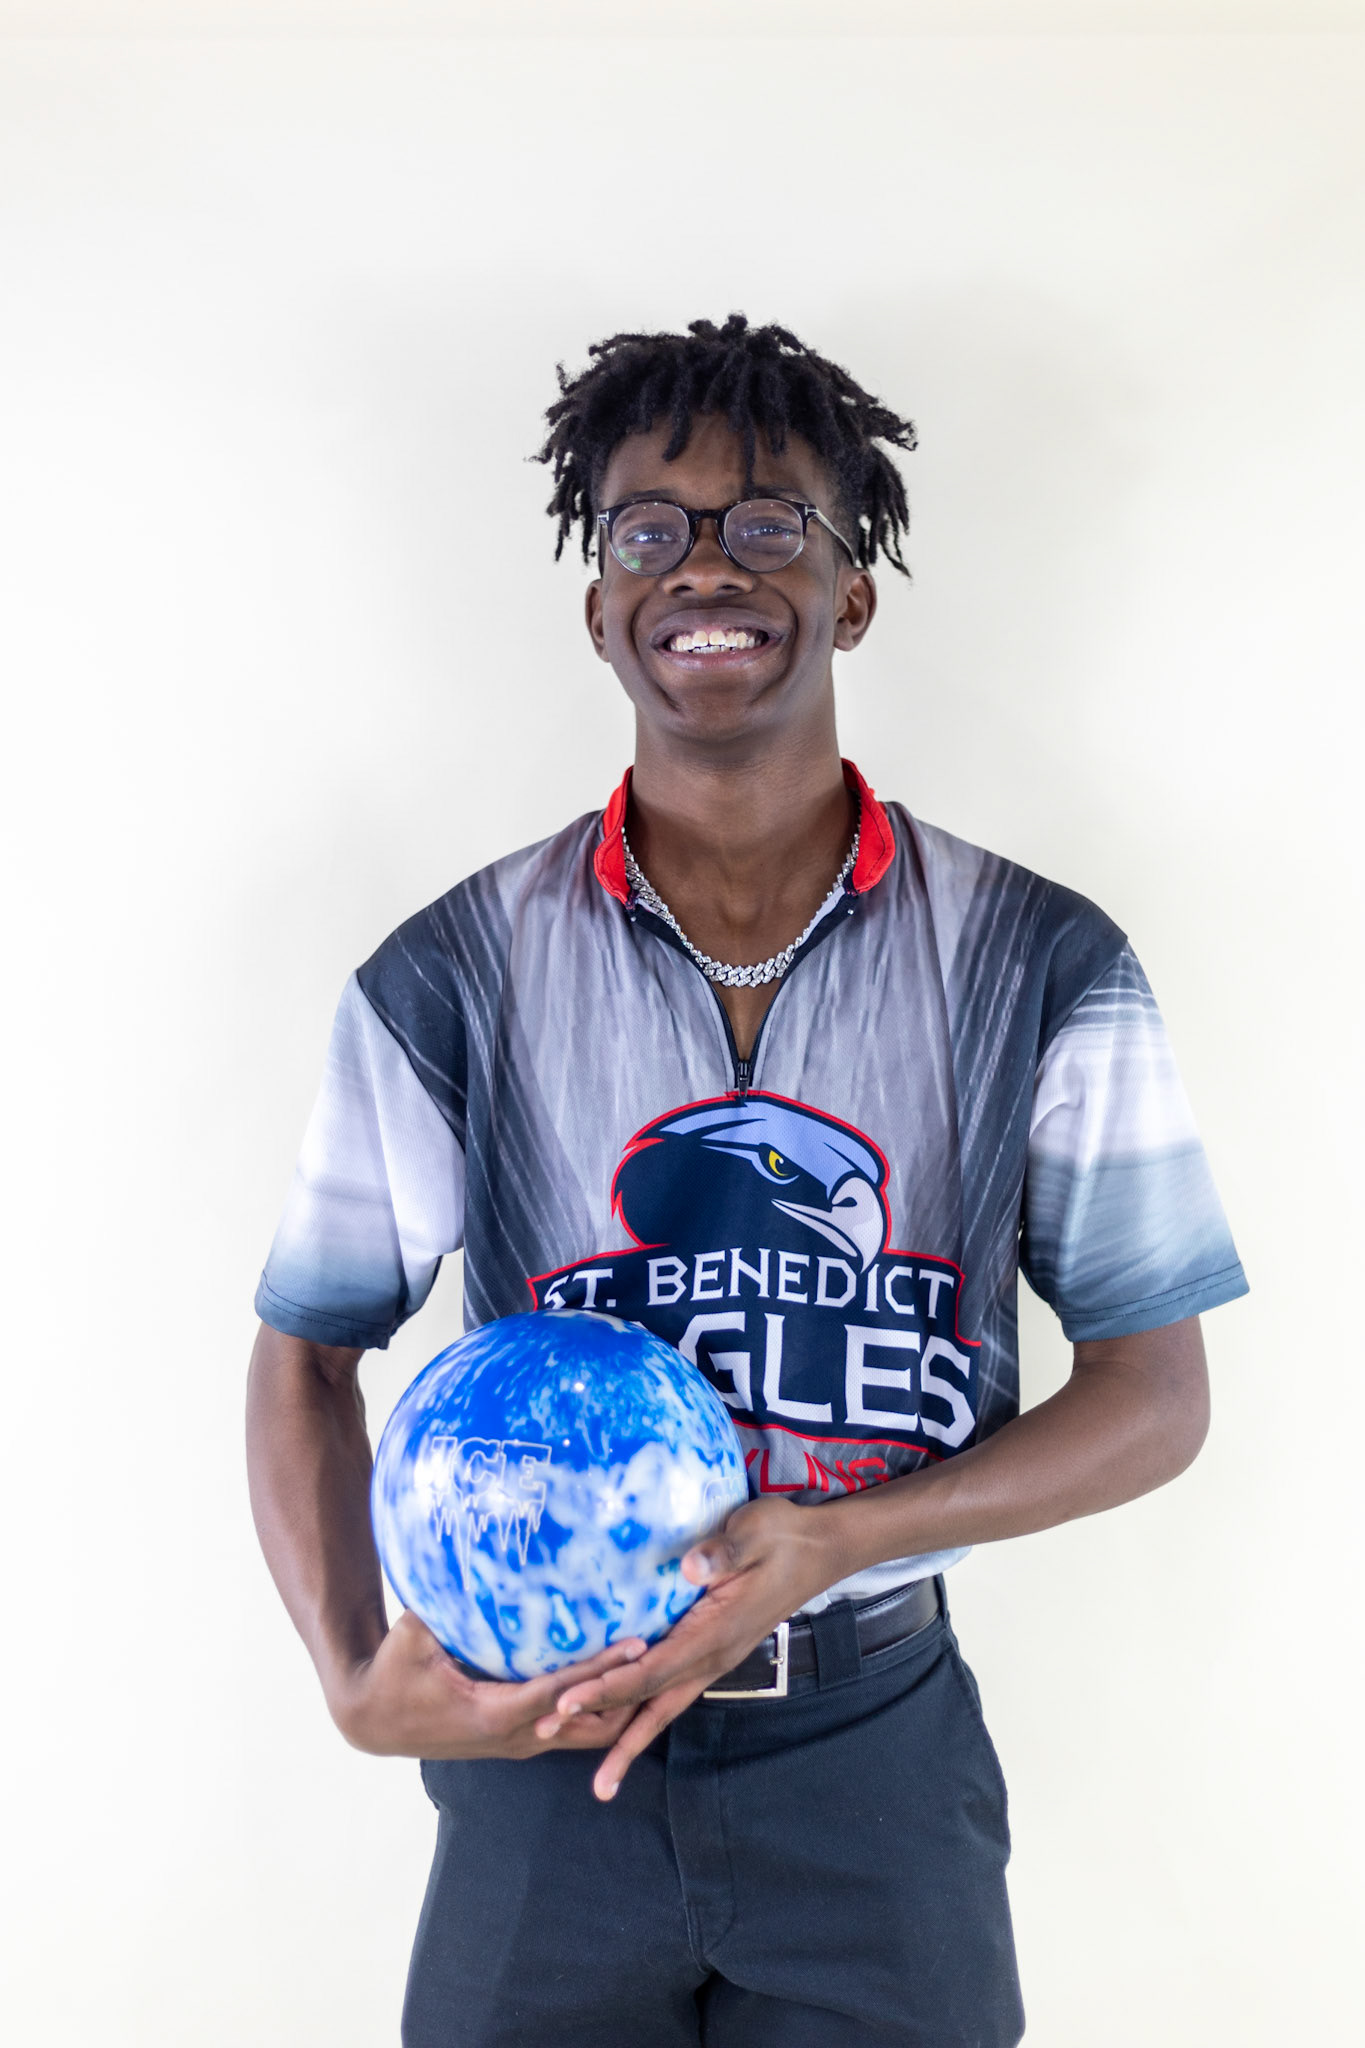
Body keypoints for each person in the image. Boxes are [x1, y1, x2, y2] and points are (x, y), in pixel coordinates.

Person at [246, 313, 1247, 2048]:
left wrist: (836, 1541)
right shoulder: (449, 973)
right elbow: (305, 1353)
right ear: (600, 607)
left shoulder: (1039, 958)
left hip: (870, 1753)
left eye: (769, 522)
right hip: (545, 1753)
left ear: (851, 594)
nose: (705, 566)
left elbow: (1156, 1398)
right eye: (650, 529)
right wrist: (349, 1678)